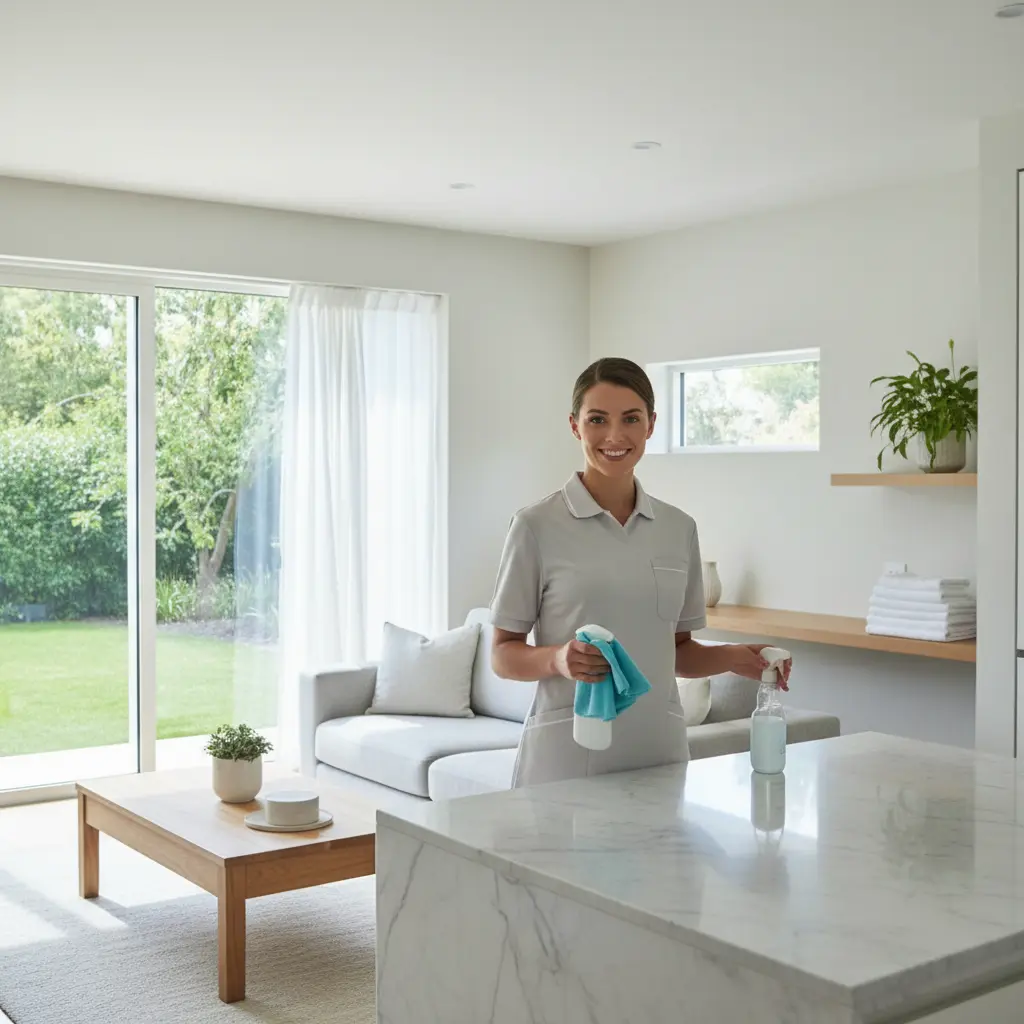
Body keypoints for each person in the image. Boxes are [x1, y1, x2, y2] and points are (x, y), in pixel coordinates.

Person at [490, 357, 792, 787]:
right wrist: (558, 659)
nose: (614, 436)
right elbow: (503, 654)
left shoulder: (678, 528)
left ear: (650, 425)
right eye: (597, 420)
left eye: (630, 419)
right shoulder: (535, 526)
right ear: (575, 426)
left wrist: (735, 656)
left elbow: (678, 650)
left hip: (658, 753)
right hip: (567, 758)